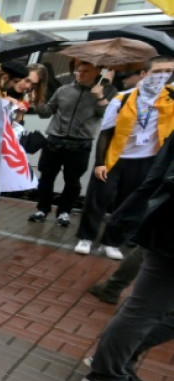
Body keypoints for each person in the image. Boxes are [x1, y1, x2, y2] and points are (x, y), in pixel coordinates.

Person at [84, 134, 174, 381]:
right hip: (168, 235)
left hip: (165, 228)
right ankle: (106, 372)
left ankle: (115, 362)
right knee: (145, 309)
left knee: (147, 309)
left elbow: (154, 179)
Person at [74, 56, 174, 259]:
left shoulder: (171, 100)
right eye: (157, 71)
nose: (162, 76)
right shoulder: (123, 99)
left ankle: (112, 241)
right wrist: (100, 162)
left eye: (168, 72)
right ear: (144, 74)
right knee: (98, 199)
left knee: (130, 204)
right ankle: (86, 237)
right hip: (115, 158)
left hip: (147, 160)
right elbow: (106, 132)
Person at [28, 61, 111, 227]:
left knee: (72, 181)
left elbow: (107, 115)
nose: (80, 74)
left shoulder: (103, 92)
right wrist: (36, 102)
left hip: (80, 144)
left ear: (97, 73)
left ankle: (64, 212)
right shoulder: (63, 90)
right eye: (79, 71)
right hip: (54, 141)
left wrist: (99, 96)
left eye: (86, 71)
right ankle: (42, 209)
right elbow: (46, 113)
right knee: (46, 178)